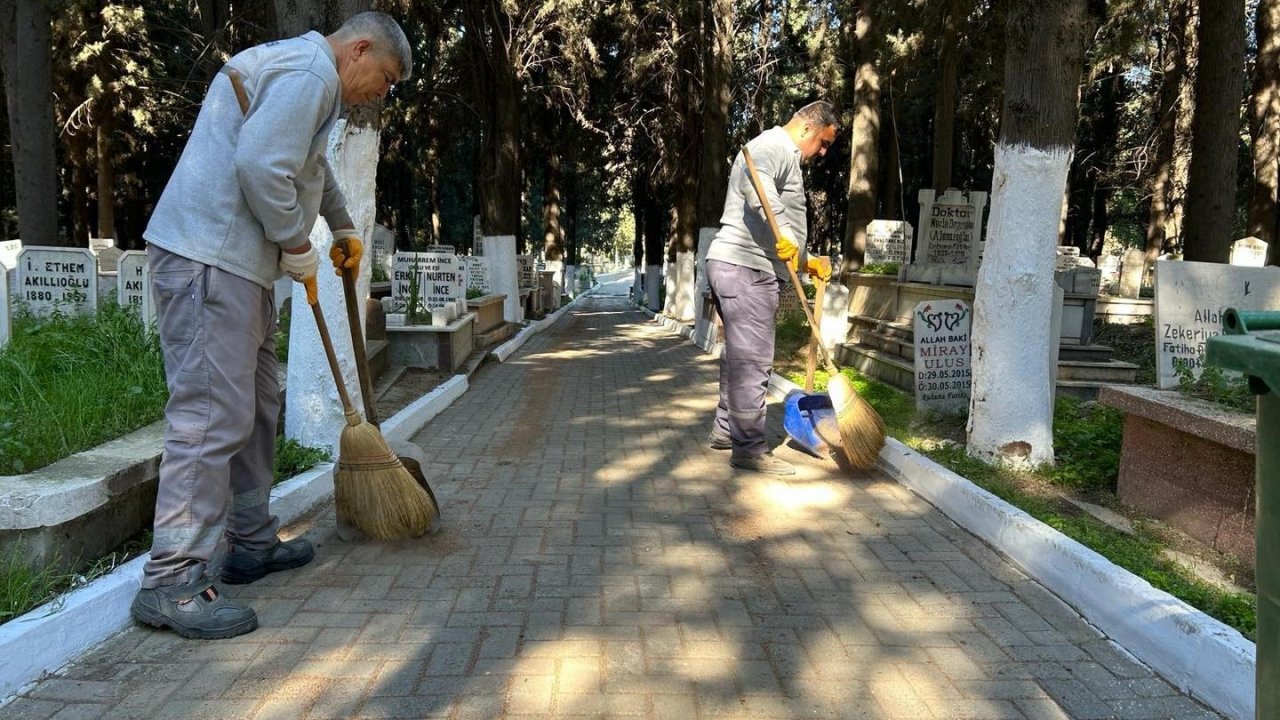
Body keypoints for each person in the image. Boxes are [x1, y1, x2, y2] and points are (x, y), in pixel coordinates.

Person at [131, 12, 412, 640]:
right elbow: (261, 166)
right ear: (359, 49)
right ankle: (171, 580)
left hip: (235, 266)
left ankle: (251, 542)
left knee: (257, 405)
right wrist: (295, 241)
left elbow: (308, 167)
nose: (382, 93)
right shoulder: (312, 72)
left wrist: (339, 225)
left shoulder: (311, 79)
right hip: (209, 257)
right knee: (210, 415)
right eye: (386, 78)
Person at [705, 100, 839, 476]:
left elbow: (777, 215)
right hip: (746, 267)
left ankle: (724, 430)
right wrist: (785, 237)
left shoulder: (785, 154)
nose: (823, 152)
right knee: (752, 360)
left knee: (738, 356)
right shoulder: (772, 146)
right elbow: (758, 186)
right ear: (809, 128)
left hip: (740, 263)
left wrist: (803, 258)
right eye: (825, 143)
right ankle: (748, 448)